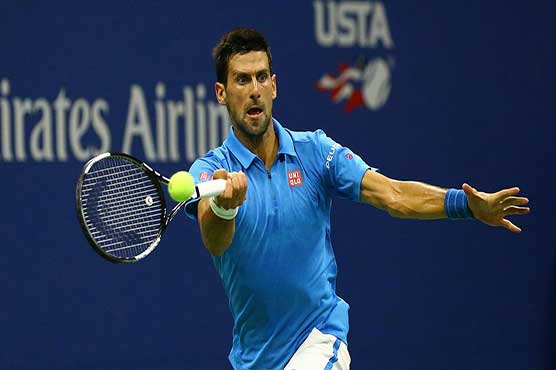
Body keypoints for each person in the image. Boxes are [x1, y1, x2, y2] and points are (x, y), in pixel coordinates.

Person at [184, 28, 530, 370]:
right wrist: (224, 206)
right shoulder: (211, 169)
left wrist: (466, 204)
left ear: (275, 85)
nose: (255, 91)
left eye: (262, 78)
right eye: (242, 81)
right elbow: (214, 241)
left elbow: (393, 194)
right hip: (254, 358)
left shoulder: (317, 152)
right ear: (221, 93)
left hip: (317, 340)